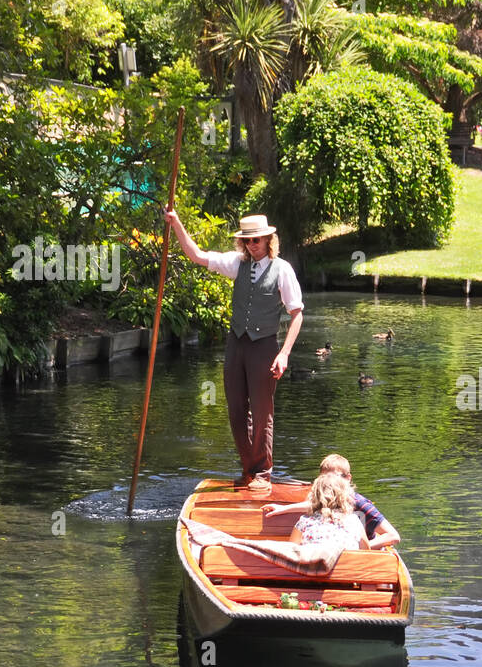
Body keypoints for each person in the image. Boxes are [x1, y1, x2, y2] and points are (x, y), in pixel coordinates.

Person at [165, 210, 302, 496]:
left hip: (264, 345)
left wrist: (284, 353)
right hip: (236, 344)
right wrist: (176, 222)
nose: (252, 245)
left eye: (257, 240)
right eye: (247, 241)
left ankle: (263, 471)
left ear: (268, 239)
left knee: (262, 411)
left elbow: (297, 313)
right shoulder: (236, 263)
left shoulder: (282, 269)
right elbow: (197, 255)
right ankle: (248, 469)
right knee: (236, 409)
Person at [262, 452, 401, 550]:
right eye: (325, 478)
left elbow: (393, 536)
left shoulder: (359, 503)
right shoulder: (323, 502)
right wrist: (283, 509)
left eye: (335, 477)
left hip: (360, 555)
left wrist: (355, 549)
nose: (329, 483)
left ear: (348, 478)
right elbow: (315, 505)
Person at [294, 472, 368, 551]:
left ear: (314, 496)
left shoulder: (305, 521)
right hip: (348, 562)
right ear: (344, 496)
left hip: (315, 562)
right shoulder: (354, 520)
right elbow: (366, 550)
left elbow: (292, 551)